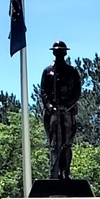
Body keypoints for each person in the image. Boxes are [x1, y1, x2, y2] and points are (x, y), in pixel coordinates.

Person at [39, 41, 82, 180]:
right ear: (53, 52)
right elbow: (44, 91)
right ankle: (55, 171)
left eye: (61, 51)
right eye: (57, 51)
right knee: (54, 144)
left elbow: (77, 92)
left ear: (65, 52)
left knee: (67, 144)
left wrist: (67, 106)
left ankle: (66, 172)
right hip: (53, 112)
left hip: (67, 111)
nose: (59, 53)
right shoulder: (48, 71)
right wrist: (50, 107)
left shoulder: (72, 71)